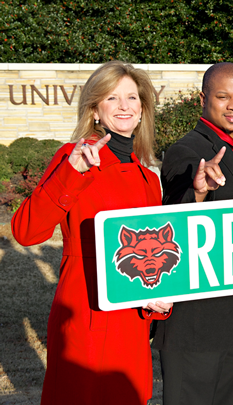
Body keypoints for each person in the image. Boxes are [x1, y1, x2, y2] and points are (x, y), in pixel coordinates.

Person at [11, 61, 172, 405]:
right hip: (87, 313)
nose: (125, 106)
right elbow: (26, 232)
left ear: (143, 109)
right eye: (112, 98)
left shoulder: (147, 178)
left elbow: (152, 260)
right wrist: (72, 173)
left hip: (132, 321)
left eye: (132, 98)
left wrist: (158, 301)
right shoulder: (76, 157)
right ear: (96, 110)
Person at [152, 62, 233, 405]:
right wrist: (197, 193)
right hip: (195, 323)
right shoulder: (187, 151)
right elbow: (176, 208)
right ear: (203, 98)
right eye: (223, 96)